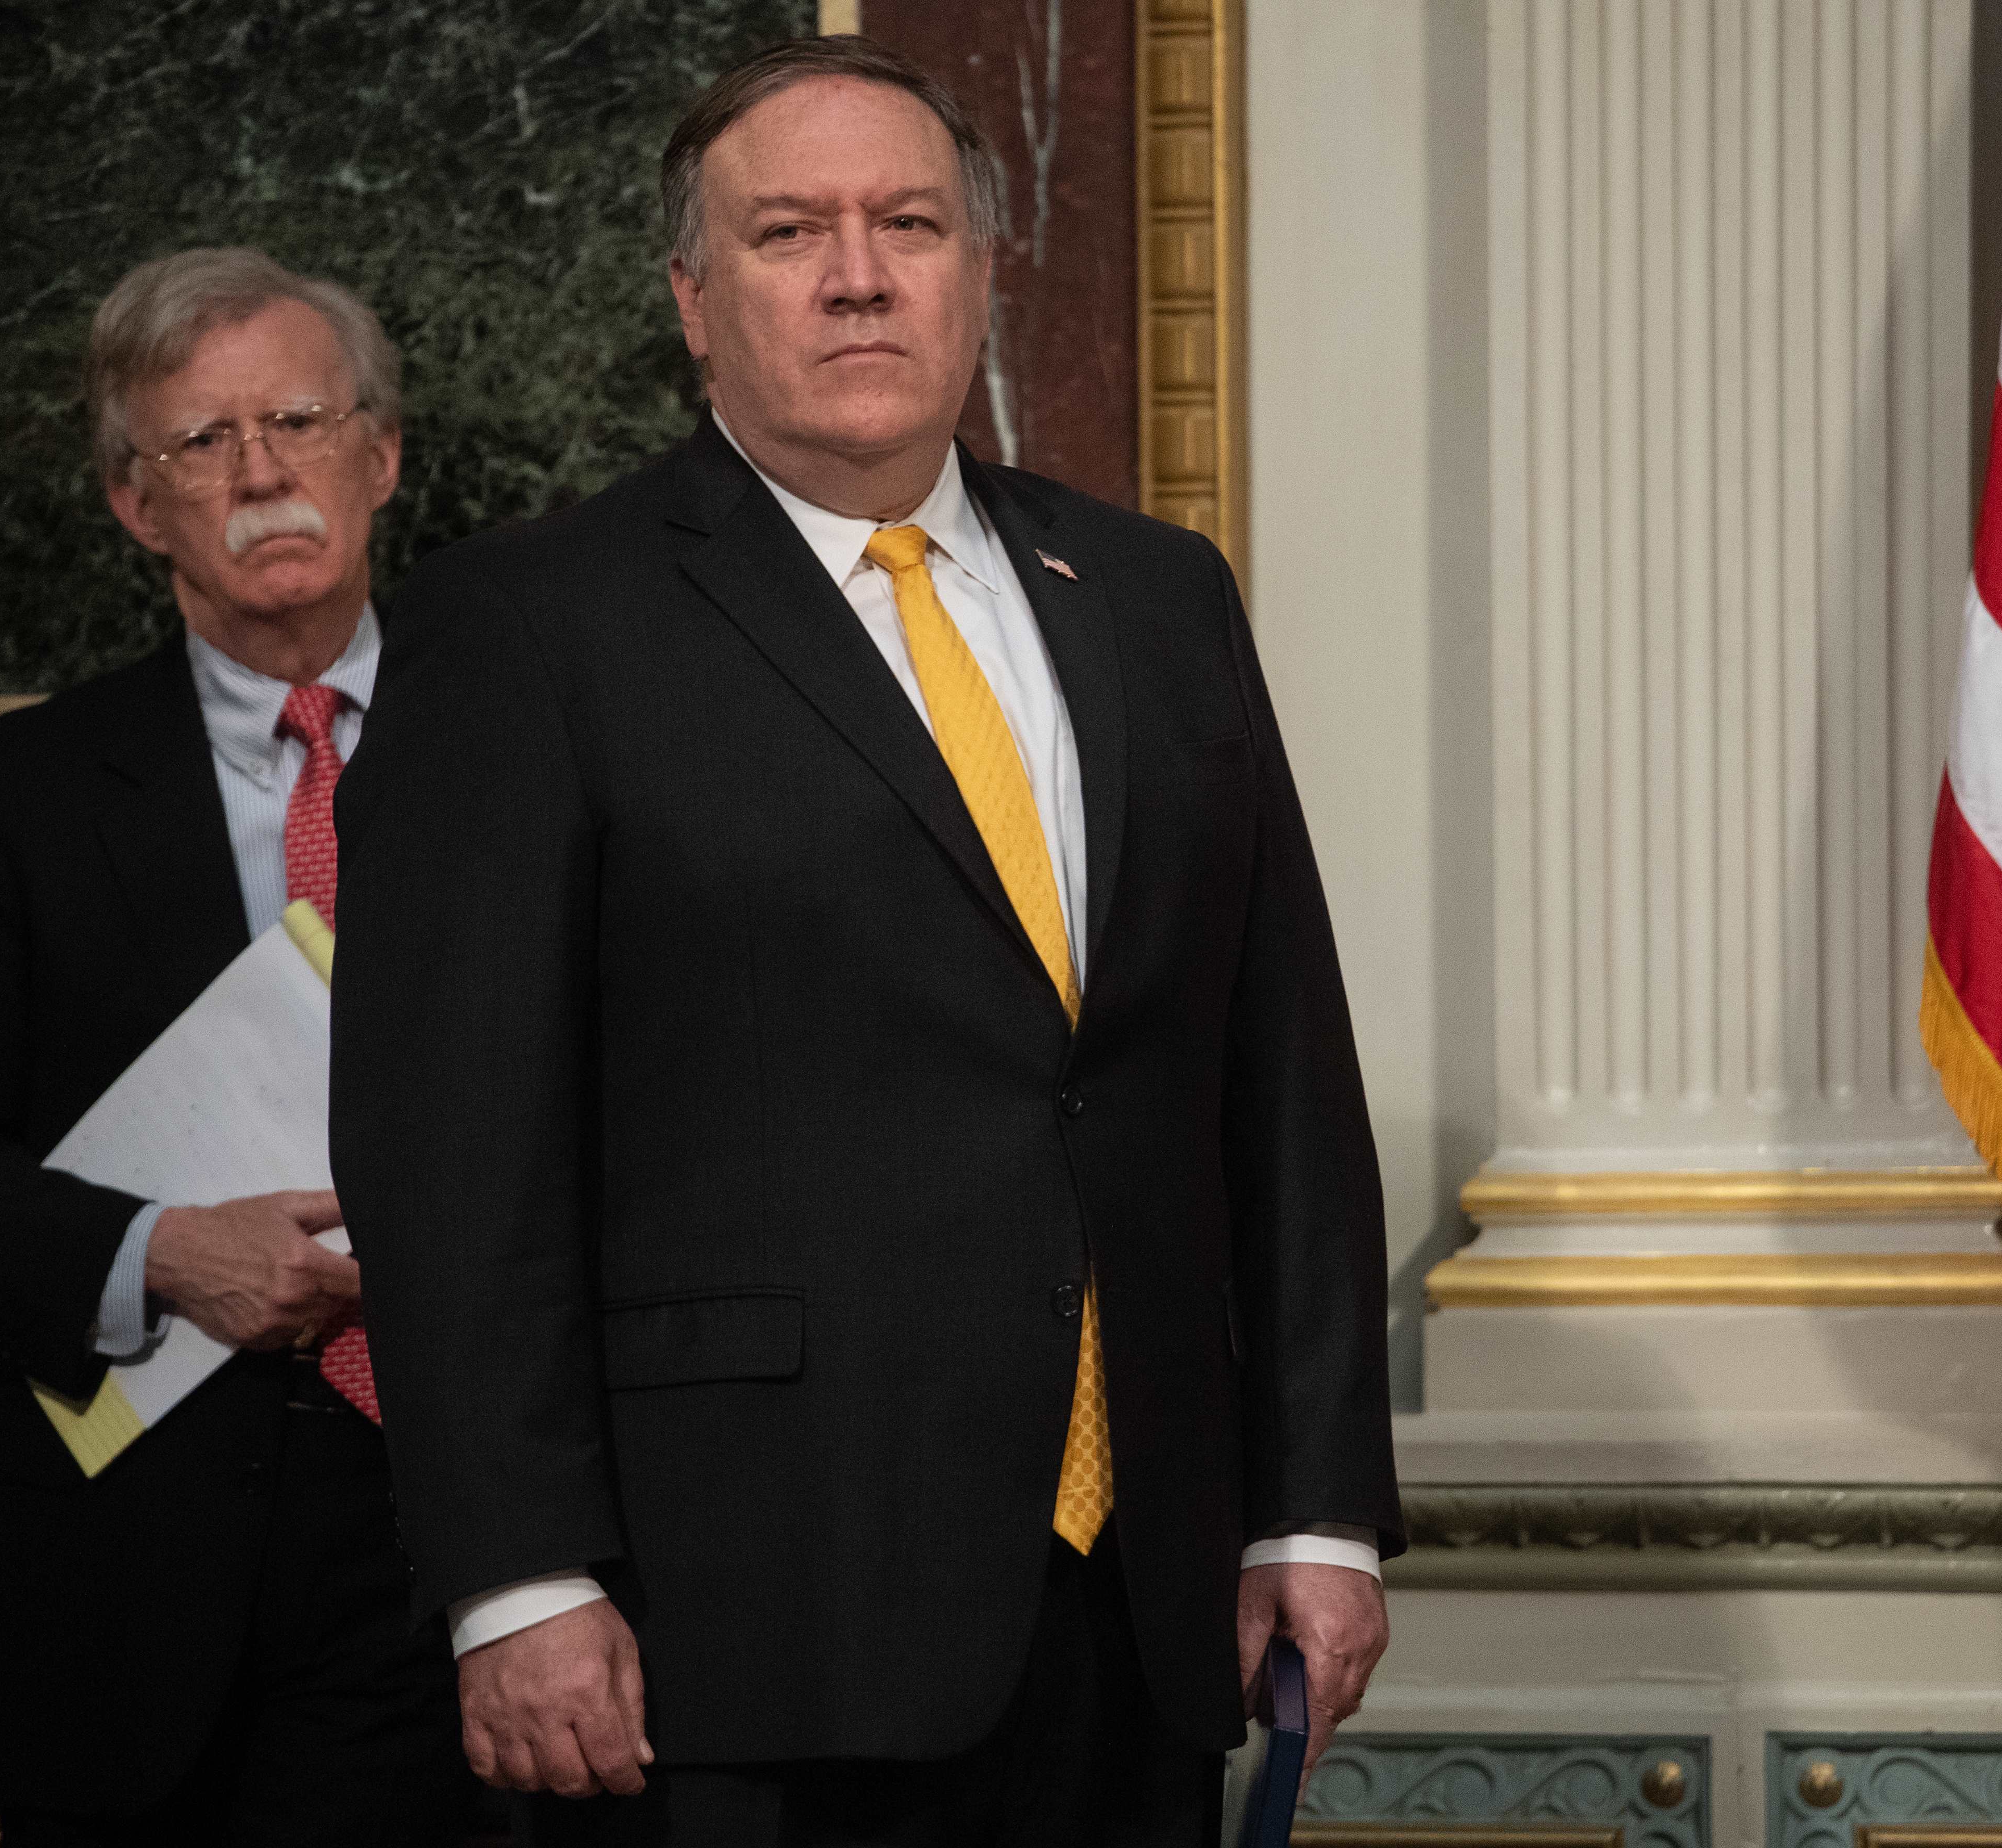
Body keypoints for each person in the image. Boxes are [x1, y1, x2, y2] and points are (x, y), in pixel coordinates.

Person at [330, 35, 1400, 1845]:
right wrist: (514, 1573)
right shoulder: (529, 628)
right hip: (735, 1614)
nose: (857, 273)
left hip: (1139, 1606)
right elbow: (452, 1149)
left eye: (909, 222)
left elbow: (1275, 1073)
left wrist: (1313, 1503)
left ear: (983, 271)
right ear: (691, 298)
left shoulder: (1152, 598)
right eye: (788, 233)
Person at [0, 248, 479, 1846]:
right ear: (134, 504)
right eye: (201, 443)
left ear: (382, 457)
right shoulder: (23, 795)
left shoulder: (539, 752)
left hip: (475, 1554)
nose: (259, 472)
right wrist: (160, 1256)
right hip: (137, 1582)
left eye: (300, 420)